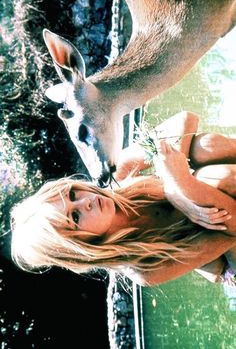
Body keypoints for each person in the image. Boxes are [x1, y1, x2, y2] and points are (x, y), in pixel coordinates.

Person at [10, 111, 236, 286]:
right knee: (215, 178)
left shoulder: (119, 177)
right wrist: (186, 185)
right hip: (228, 251)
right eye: (75, 216)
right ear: (79, 246)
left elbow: (184, 119)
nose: (85, 201)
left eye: (72, 195)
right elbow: (231, 232)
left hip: (217, 208)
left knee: (203, 147)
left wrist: (176, 189)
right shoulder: (144, 268)